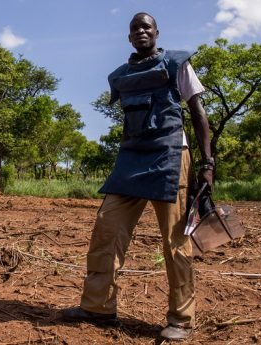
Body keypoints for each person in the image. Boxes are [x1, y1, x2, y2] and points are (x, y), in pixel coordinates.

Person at [61, 12, 214, 341]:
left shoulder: (176, 65)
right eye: (135, 29)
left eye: (146, 27)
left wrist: (208, 164)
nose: (141, 31)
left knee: (175, 241)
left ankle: (181, 319)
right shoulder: (122, 76)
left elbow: (199, 115)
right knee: (107, 226)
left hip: (170, 155)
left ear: (157, 32)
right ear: (129, 38)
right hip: (131, 158)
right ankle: (98, 307)